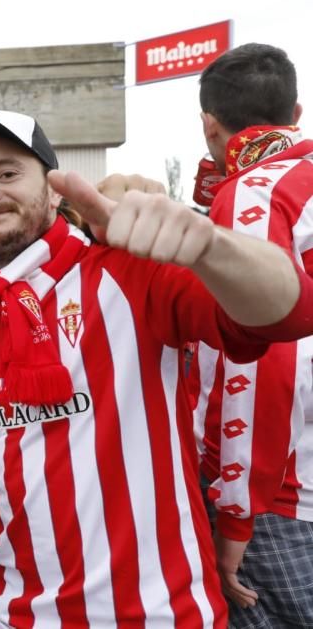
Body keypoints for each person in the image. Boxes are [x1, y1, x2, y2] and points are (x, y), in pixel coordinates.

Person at [0, 109, 313, 628]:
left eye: (7, 173)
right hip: (5, 611)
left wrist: (209, 245)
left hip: (150, 614)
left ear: (52, 187)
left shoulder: (128, 272)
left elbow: (287, 313)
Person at [186, 43, 313, 627]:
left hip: (281, 497)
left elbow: (256, 360)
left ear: (210, 125)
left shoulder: (257, 191)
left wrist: (235, 515)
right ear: (298, 112)